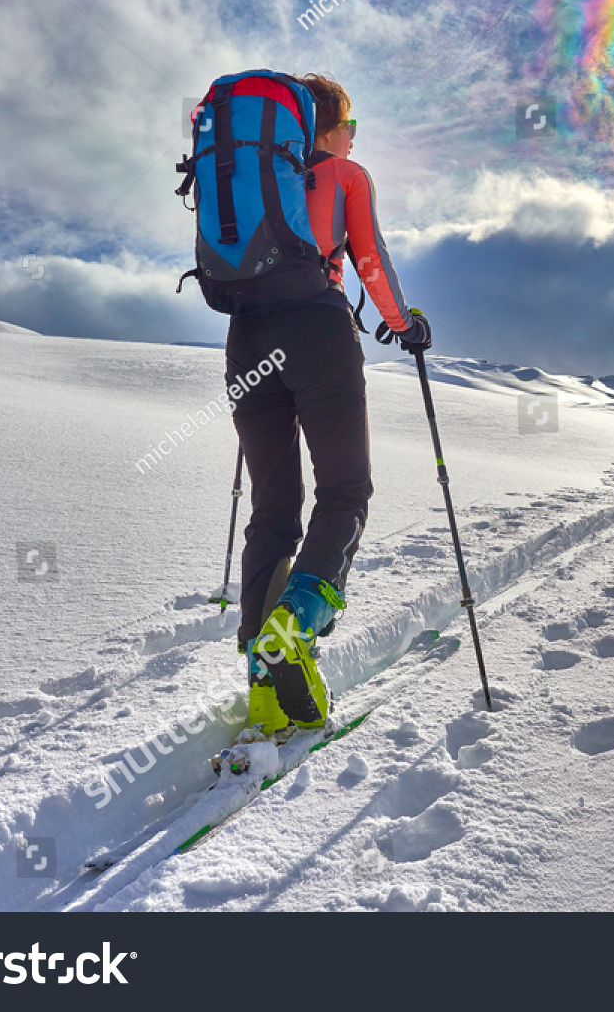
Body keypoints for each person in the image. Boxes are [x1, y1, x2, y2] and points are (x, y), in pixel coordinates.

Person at [226, 72, 432, 736]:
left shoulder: (254, 179)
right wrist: (406, 326)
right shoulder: (345, 176)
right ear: (327, 127)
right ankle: (296, 625)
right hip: (317, 326)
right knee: (345, 491)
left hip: (246, 335)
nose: (353, 137)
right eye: (351, 125)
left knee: (273, 507)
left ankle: (263, 686)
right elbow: (368, 260)